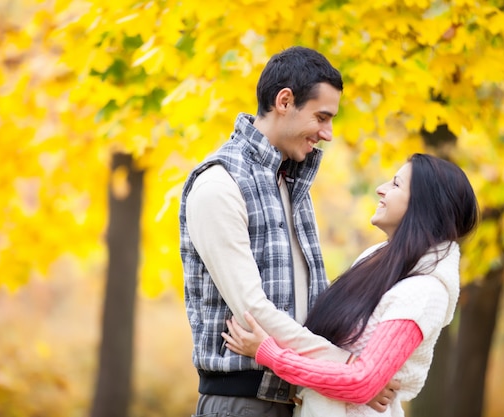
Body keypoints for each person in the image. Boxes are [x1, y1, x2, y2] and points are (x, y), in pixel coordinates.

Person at [179, 46, 398, 417]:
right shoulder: (219, 184)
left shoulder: (291, 185)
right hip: (244, 404)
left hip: (300, 398)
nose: (327, 134)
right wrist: (347, 367)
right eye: (321, 117)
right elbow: (253, 311)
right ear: (284, 101)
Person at [222, 153, 480, 417]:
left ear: (423, 205)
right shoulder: (375, 260)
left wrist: (271, 355)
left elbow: (362, 382)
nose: (381, 189)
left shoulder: (424, 292)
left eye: (396, 185)